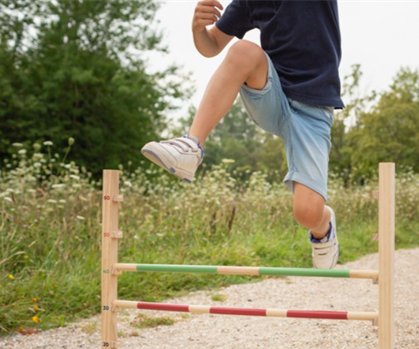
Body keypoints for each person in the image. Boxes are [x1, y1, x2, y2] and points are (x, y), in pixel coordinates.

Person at [141, 0, 343, 269]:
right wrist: (198, 29)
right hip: (273, 95)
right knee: (243, 51)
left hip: (313, 111)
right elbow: (212, 44)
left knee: (306, 212)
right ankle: (191, 147)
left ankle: (324, 227)